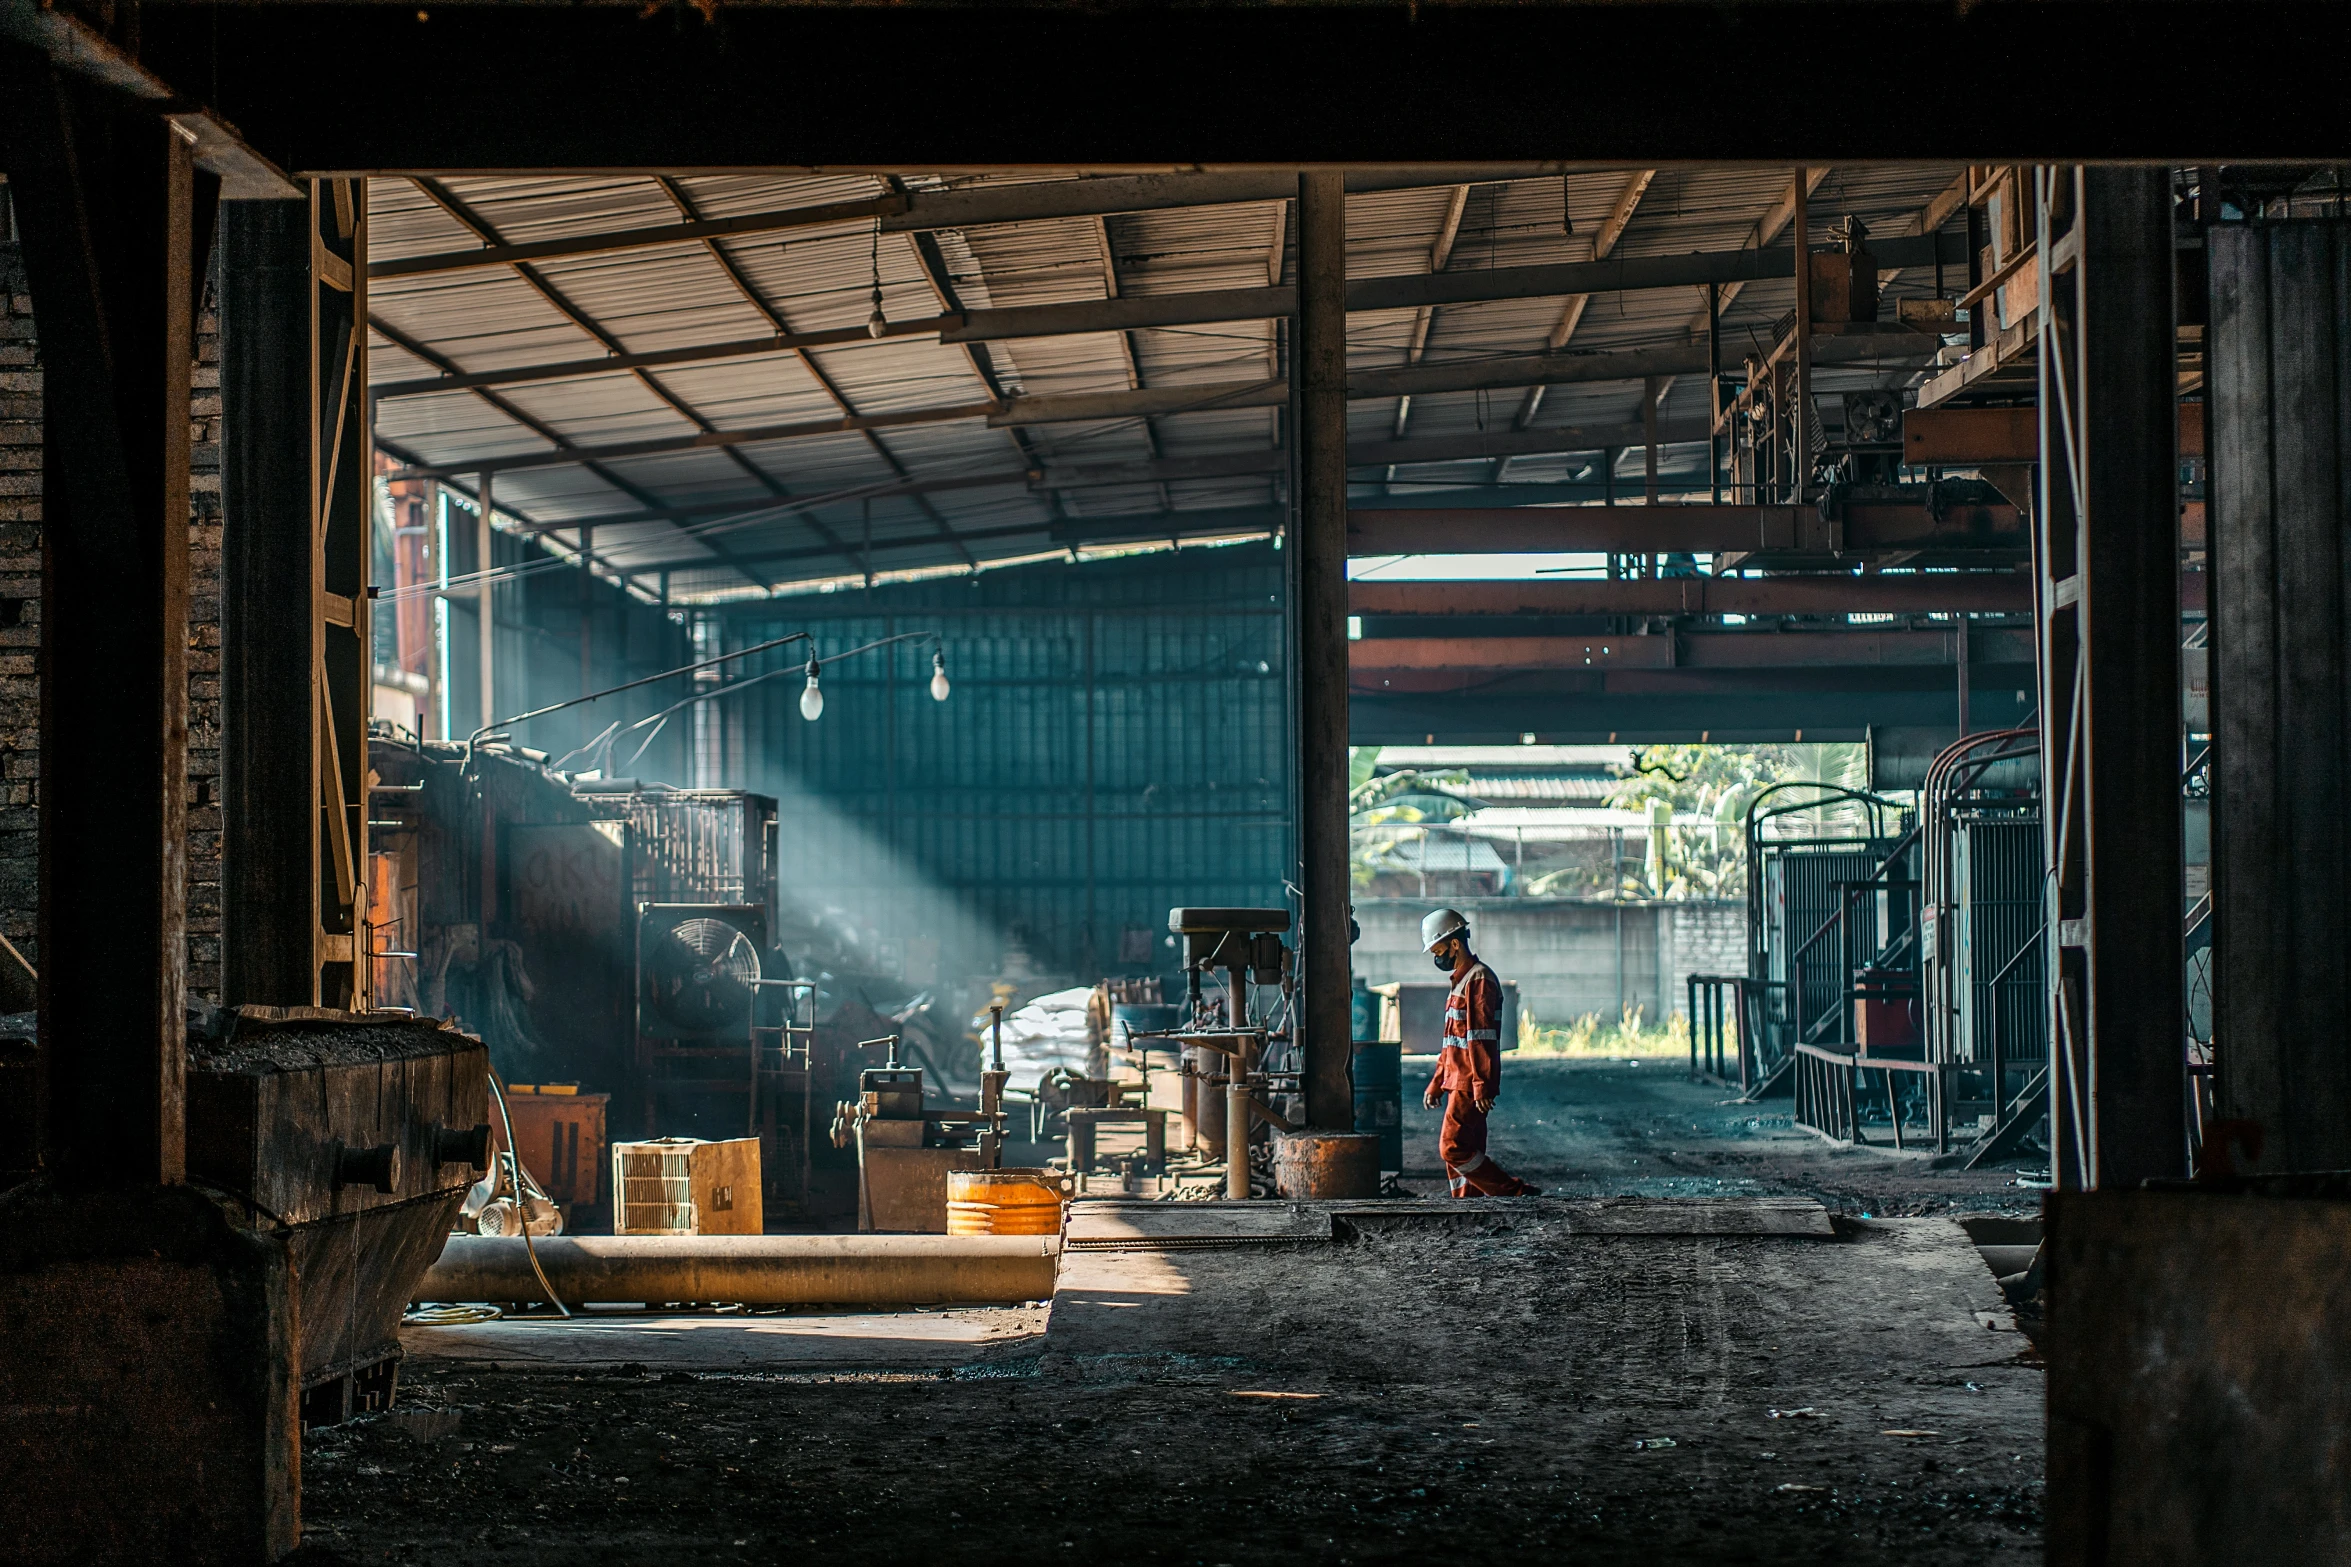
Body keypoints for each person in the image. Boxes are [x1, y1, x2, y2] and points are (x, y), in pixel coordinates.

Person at [1420, 908, 1540, 1198]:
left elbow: (1481, 1038)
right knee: (1468, 1149)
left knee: (1452, 1147)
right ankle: (1468, 1204)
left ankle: (1514, 1192)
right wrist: (1437, 1082)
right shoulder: (1460, 982)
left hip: (1468, 1081)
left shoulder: (1479, 979)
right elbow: (1451, 1041)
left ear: (1455, 944)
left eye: (1439, 949)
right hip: (1455, 1079)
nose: (1438, 957)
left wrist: (1483, 1085)